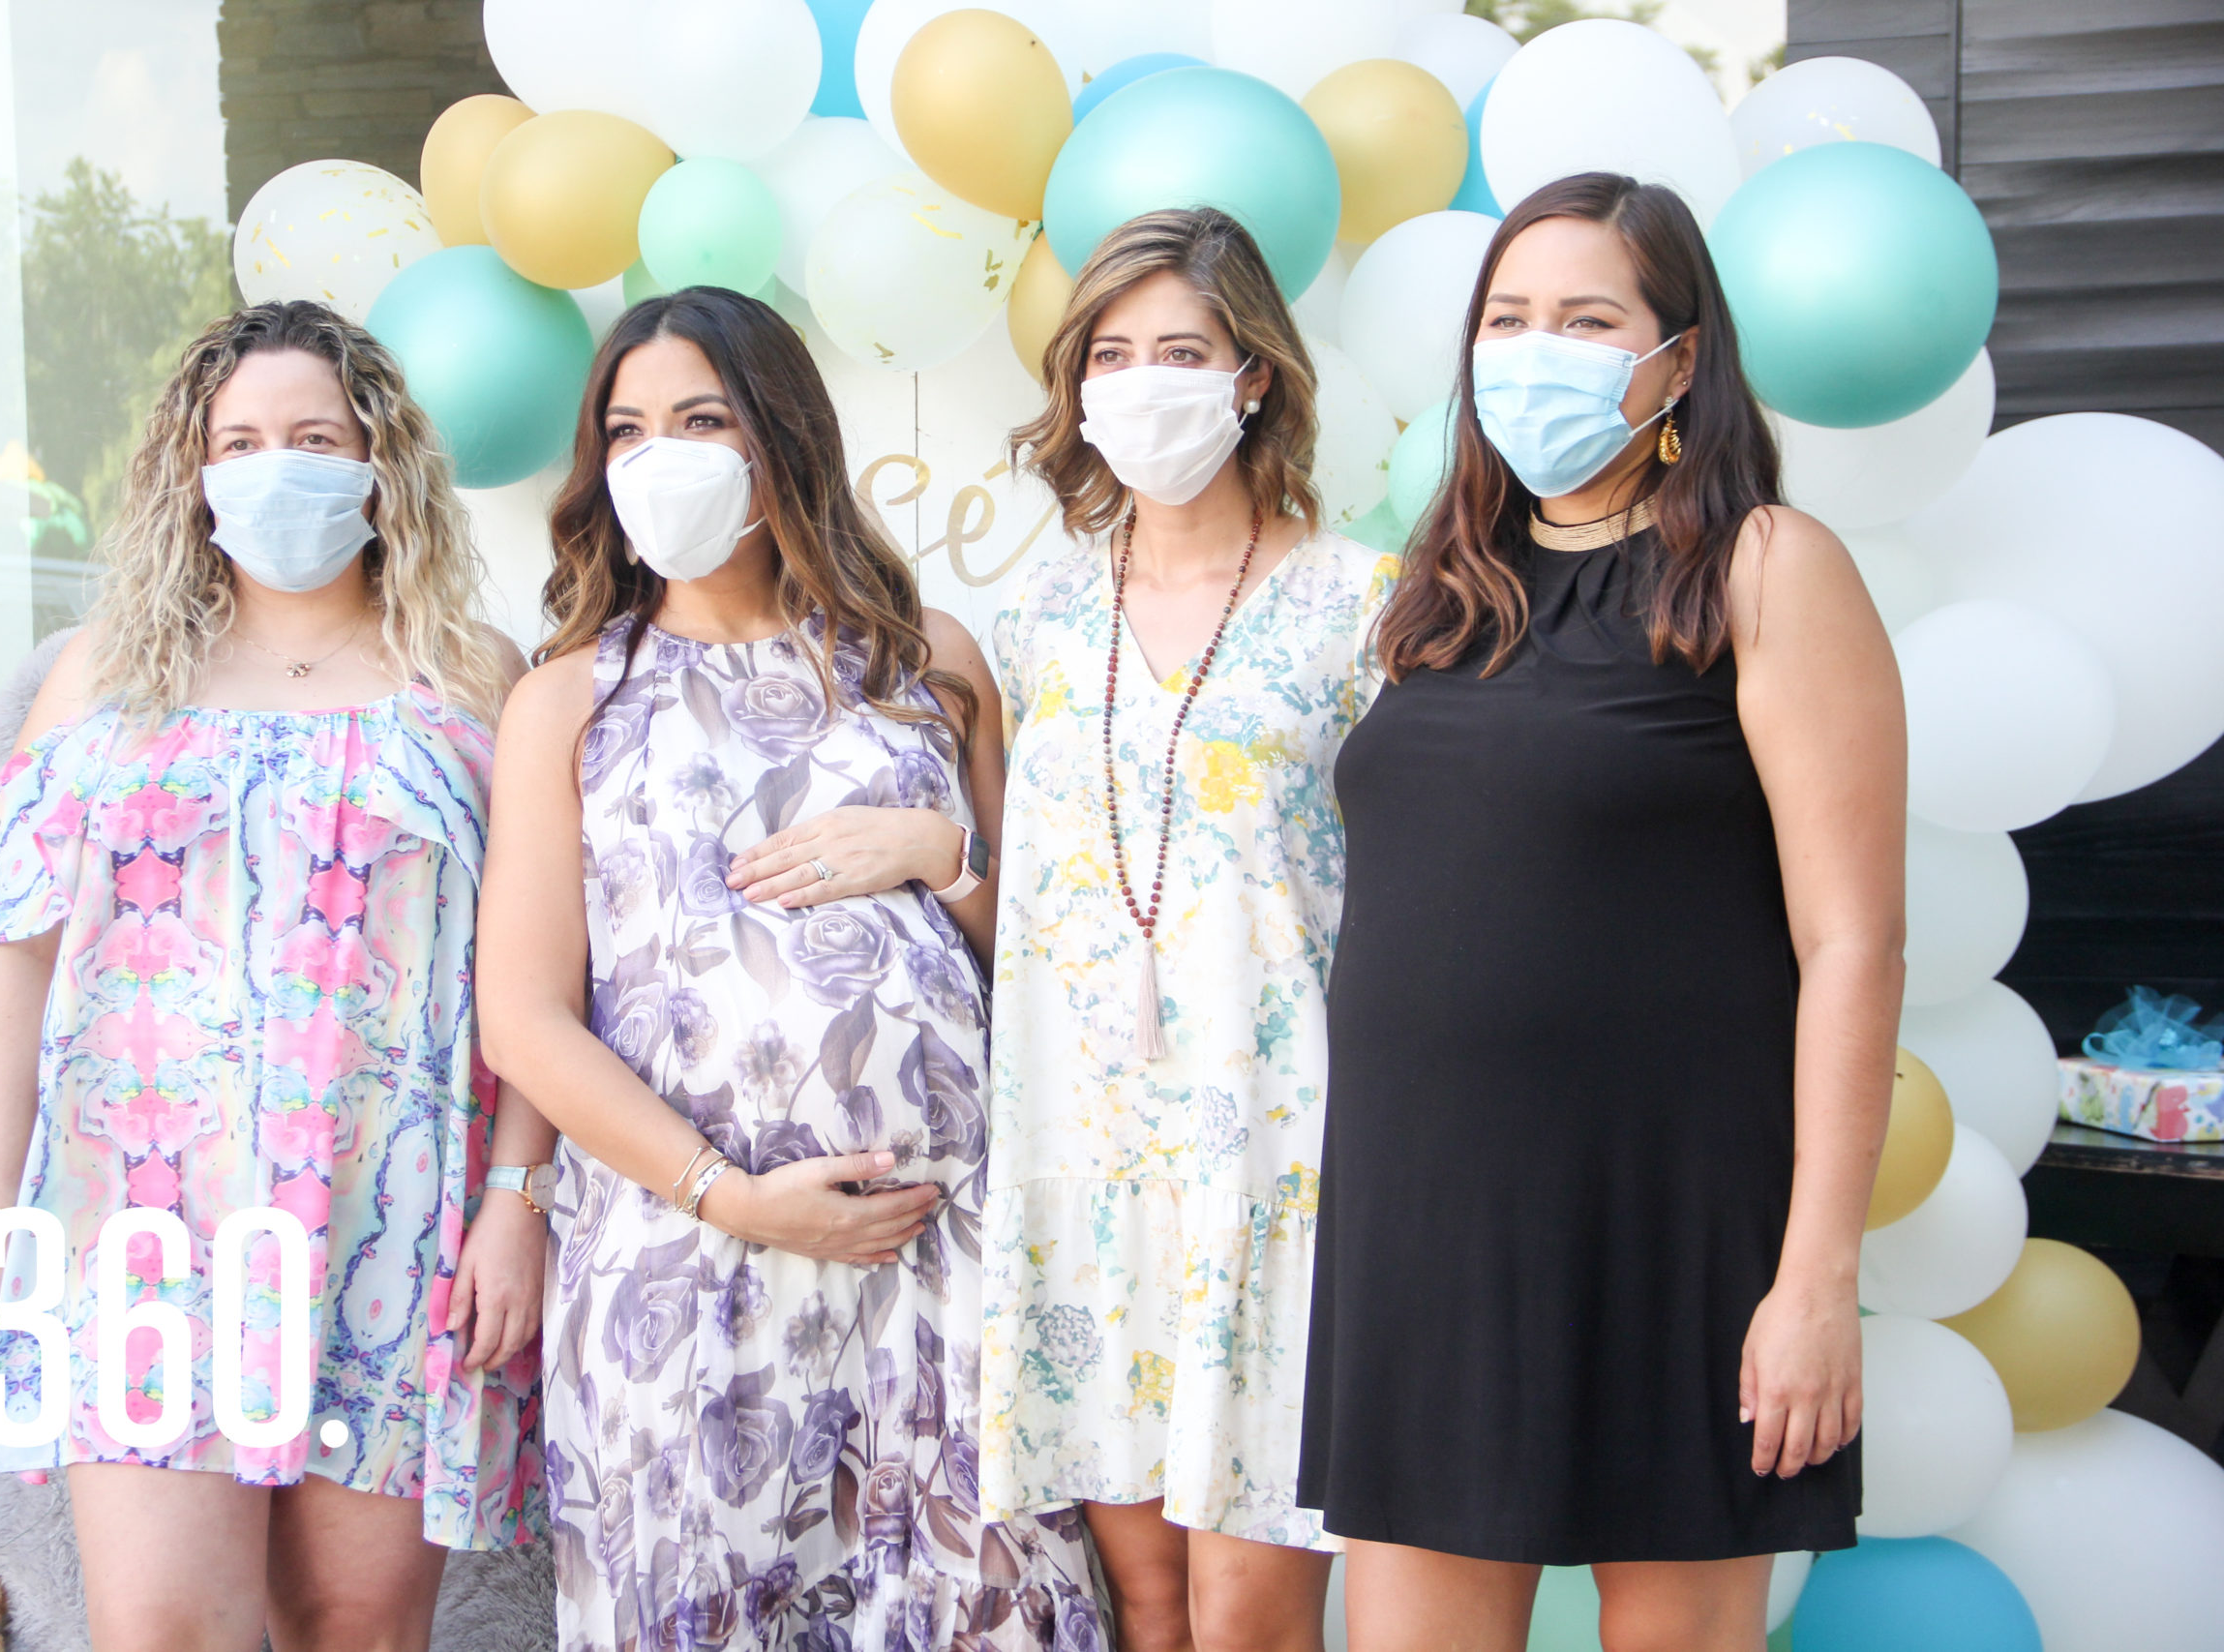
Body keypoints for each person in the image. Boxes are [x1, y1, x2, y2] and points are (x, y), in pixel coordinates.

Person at [1299, 172, 1902, 1652]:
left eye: (1585, 318)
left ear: (1677, 360)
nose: (1533, 347)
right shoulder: (1441, 594)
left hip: (1675, 1221)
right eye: (1507, 318)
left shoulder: (1765, 569)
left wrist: (1817, 1274)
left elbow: (1856, 944)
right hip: (1428, 1221)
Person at [0, 300, 552, 1652]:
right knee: (163, 1633)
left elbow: (544, 973)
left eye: (316, 436)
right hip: (135, 1228)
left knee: (356, 1634)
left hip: (394, 1228)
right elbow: (16, 959)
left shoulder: (475, 682)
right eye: (243, 439)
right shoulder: (102, 679)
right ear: (191, 474)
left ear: (383, 464)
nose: (280, 465)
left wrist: (519, 1197)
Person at [474, 285, 1104, 1652]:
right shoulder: (570, 700)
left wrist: (944, 849)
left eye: (700, 418)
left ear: (782, 438)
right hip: (687, 1262)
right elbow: (525, 1016)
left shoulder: (926, 664)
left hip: (940, 1262)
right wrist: (738, 1198)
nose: (663, 455)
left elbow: (1051, 970)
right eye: (628, 430)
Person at [982, 207, 1400, 1652]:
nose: (1143, 379)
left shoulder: (1363, 611)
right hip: (1081, 1162)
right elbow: (1009, 880)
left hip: (1278, 1166)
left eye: (1183, 348)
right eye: (1112, 351)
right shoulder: (1030, 616)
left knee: (1251, 1614)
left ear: (1253, 378)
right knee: (1148, 1611)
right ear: (1075, 387)